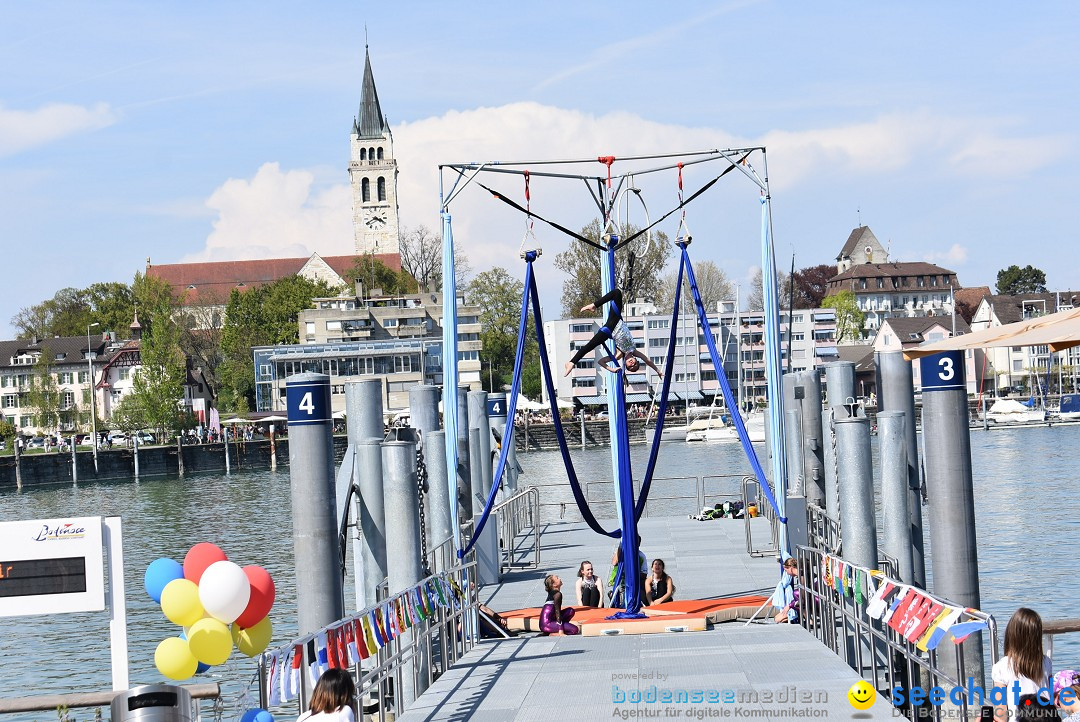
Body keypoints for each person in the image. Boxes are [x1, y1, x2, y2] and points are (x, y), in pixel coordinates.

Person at [992, 607, 1054, 721]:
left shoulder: (1001, 666)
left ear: (1011, 634)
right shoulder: (1046, 662)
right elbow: (1050, 698)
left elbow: (1001, 712)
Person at [608, 543, 648, 608]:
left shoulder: (641, 556)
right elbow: (614, 562)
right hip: (619, 580)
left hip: (633, 582)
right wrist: (620, 546)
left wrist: (632, 575)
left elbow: (644, 574)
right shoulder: (620, 552)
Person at [772, 557, 800, 623]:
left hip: (808, 601)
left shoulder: (801, 577)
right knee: (776, 618)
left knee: (796, 594)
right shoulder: (800, 576)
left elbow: (801, 597)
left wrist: (789, 606)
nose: (787, 573)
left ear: (790, 568)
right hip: (806, 600)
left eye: (786, 571)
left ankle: (810, 621)